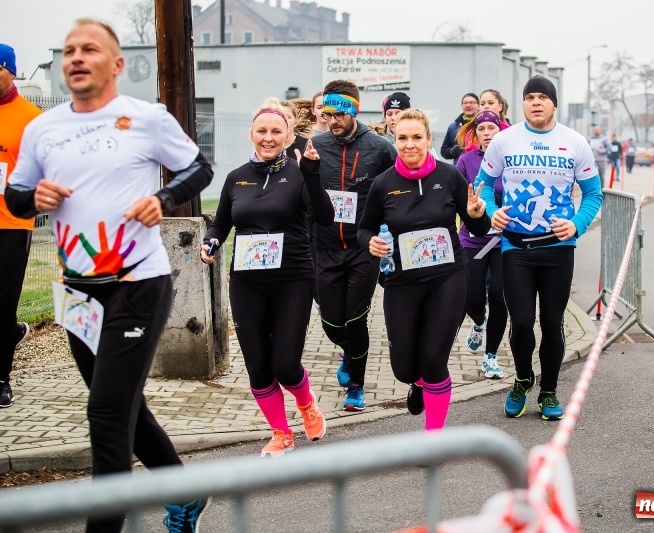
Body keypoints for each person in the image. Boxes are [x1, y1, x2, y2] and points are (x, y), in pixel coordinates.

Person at [6, 19, 214, 532]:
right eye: (69, 50)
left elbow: (198, 169)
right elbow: (13, 196)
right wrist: (34, 199)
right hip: (78, 290)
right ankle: (185, 492)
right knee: (121, 404)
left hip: (137, 284)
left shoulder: (145, 118)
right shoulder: (42, 128)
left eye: (90, 49)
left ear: (116, 65)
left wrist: (161, 199)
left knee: (104, 413)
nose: (76, 56)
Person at [201, 100, 333, 459]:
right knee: (258, 367)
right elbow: (221, 222)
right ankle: (281, 433)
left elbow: (324, 215)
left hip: (292, 279)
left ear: (289, 135)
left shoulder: (298, 173)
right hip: (247, 281)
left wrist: (312, 174)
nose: (269, 137)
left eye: (277, 131)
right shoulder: (236, 177)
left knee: (285, 365)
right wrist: (211, 240)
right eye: (262, 131)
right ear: (252, 135)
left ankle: (307, 404)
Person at [474, 75, 603, 421]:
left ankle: (548, 392)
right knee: (521, 322)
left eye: (542, 97)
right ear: (522, 104)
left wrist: (576, 223)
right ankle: (521, 379)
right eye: (529, 97)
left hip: (558, 248)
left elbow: (593, 194)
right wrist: (491, 210)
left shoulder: (575, 143)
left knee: (552, 321)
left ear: (553, 103)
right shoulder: (504, 140)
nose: (535, 103)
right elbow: (482, 184)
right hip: (515, 247)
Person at [358, 109, 490, 432]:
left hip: (448, 279)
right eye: (402, 138)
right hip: (402, 282)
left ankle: (433, 437)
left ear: (429, 140)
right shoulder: (383, 184)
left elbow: (479, 227)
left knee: (433, 361)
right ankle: (416, 384)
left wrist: (476, 214)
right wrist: (371, 243)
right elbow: (364, 230)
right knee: (404, 367)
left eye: (417, 137)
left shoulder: (449, 177)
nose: (410, 144)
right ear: (394, 139)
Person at [312, 80, 396, 411]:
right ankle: (349, 350)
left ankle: (356, 385)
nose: (333, 121)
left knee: (356, 318)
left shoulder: (379, 148)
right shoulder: (315, 146)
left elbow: (395, 192)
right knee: (332, 324)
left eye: (339, 114)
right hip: (326, 247)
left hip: (363, 248)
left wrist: (392, 238)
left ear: (355, 111)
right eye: (328, 114)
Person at [0, 43, 39, 409]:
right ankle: (10, 334)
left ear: (11, 70)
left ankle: (1, 379)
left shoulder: (30, 117)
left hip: (12, 223)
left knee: (3, 300)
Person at [455, 110, 507, 380]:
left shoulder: (510, 161)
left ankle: (491, 357)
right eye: (482, 129)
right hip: (473, 239)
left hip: (503, 241)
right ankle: (478, 322)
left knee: (499, 297)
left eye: (491, 128)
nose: (487, 133)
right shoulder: (466, 160)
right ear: (476, 134)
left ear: (500, 131)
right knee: (471, 299)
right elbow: (457, 195)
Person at [462, 89, 512, 153]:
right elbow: (468, 159)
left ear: (500, 106)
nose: (486, 106)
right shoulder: (471, 133)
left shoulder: (509, 131)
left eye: (490, 103)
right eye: (482, 104)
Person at [440, 92, 479, 164]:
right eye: (465, 103)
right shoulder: (453, 127)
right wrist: (452, 151)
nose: (468, 105)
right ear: (462, 105)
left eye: (471, 102)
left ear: (478, 106)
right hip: (460, 170)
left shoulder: (483, 125)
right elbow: (443, 151)